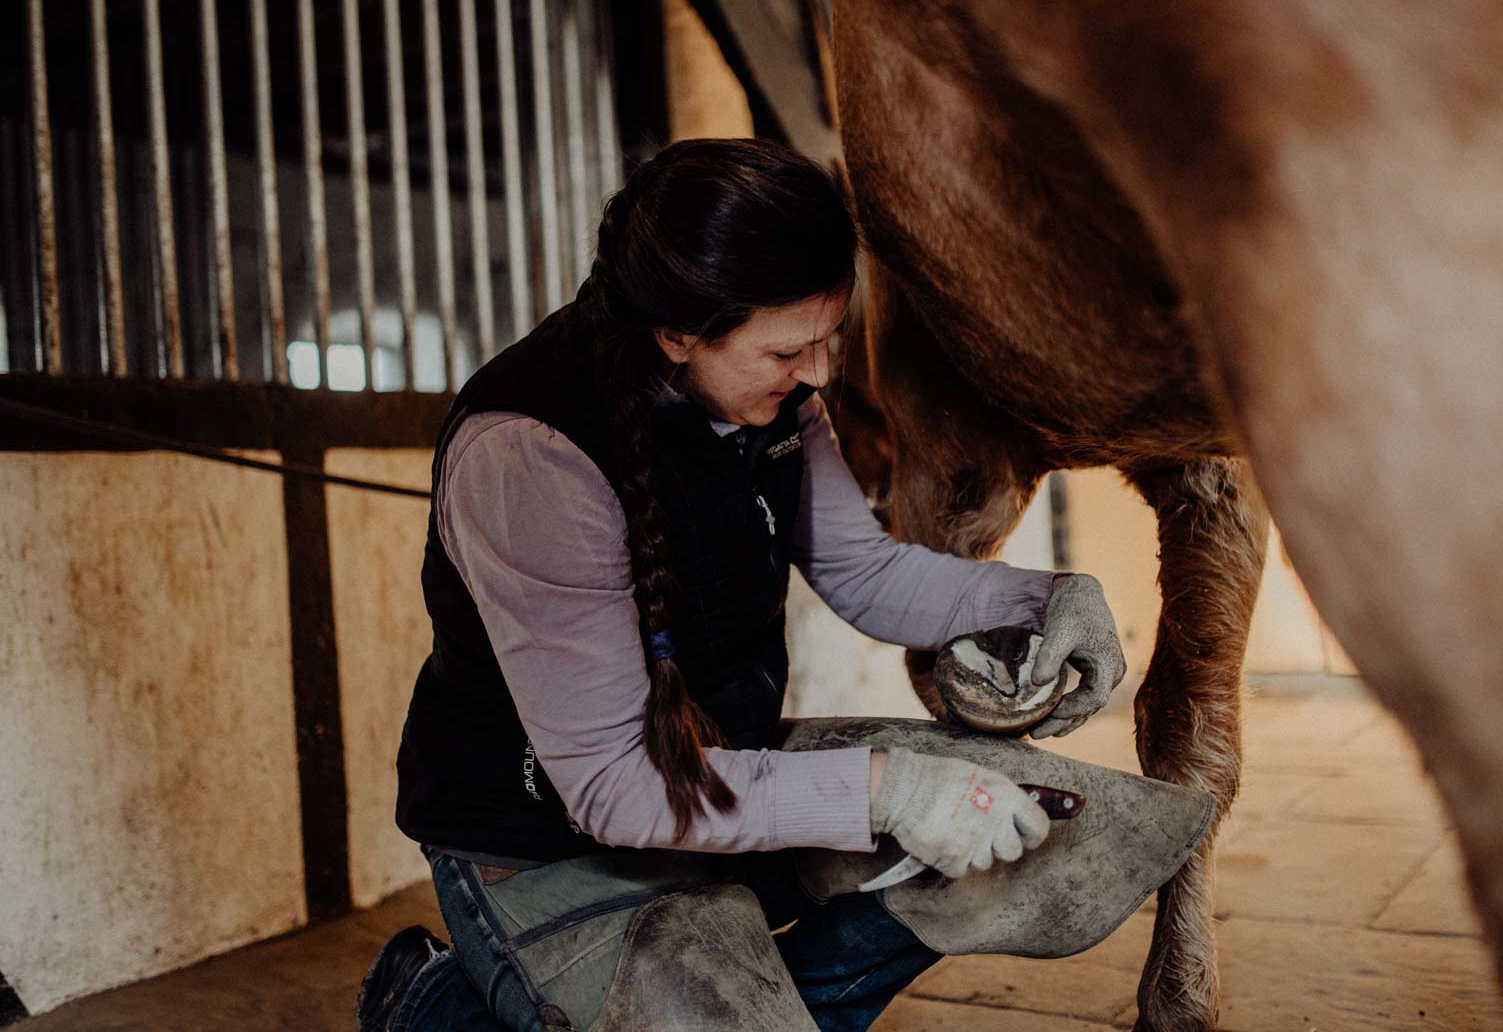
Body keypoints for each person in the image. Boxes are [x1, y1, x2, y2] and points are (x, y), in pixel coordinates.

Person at [356, 138, 1127, 1031]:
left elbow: (862, 571)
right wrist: (891, 789)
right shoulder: (532, 456)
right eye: (789, 351)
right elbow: (618, 787)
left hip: (718, 767)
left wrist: (1044, 599)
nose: (822, 375)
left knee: (1059, 833)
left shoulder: (776, 398)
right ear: (679, 333)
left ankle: (738, 994)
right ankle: (435, 1005)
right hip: (546, 838)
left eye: (829, 338)